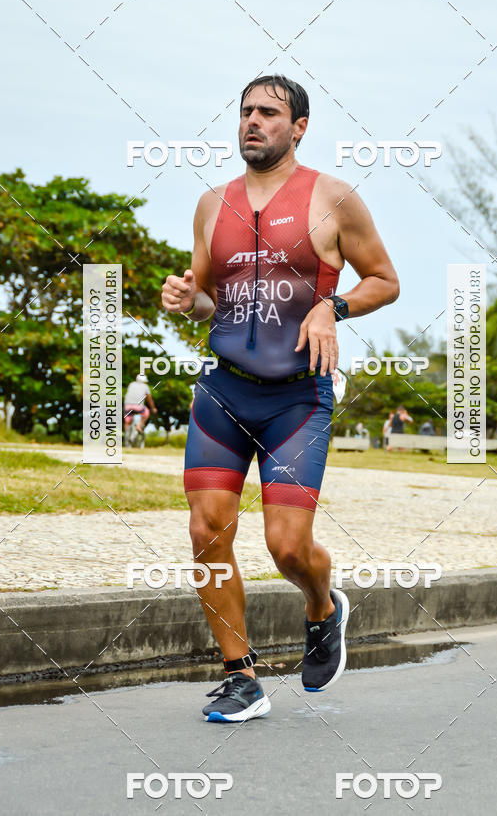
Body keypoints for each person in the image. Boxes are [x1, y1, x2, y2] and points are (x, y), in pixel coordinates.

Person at [161, 74, 399, 722]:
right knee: (206, 530)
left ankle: (323, 606)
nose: (252, 122)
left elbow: (385, 280)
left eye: (269, 112)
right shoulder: (212, 204)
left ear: (298, 127)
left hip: (298, 399)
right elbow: (211, 296)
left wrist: (332, 305)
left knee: (287, 546)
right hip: (224, 392)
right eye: (245, 111)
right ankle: (241, 676)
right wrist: (190, 300)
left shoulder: (334, 198)